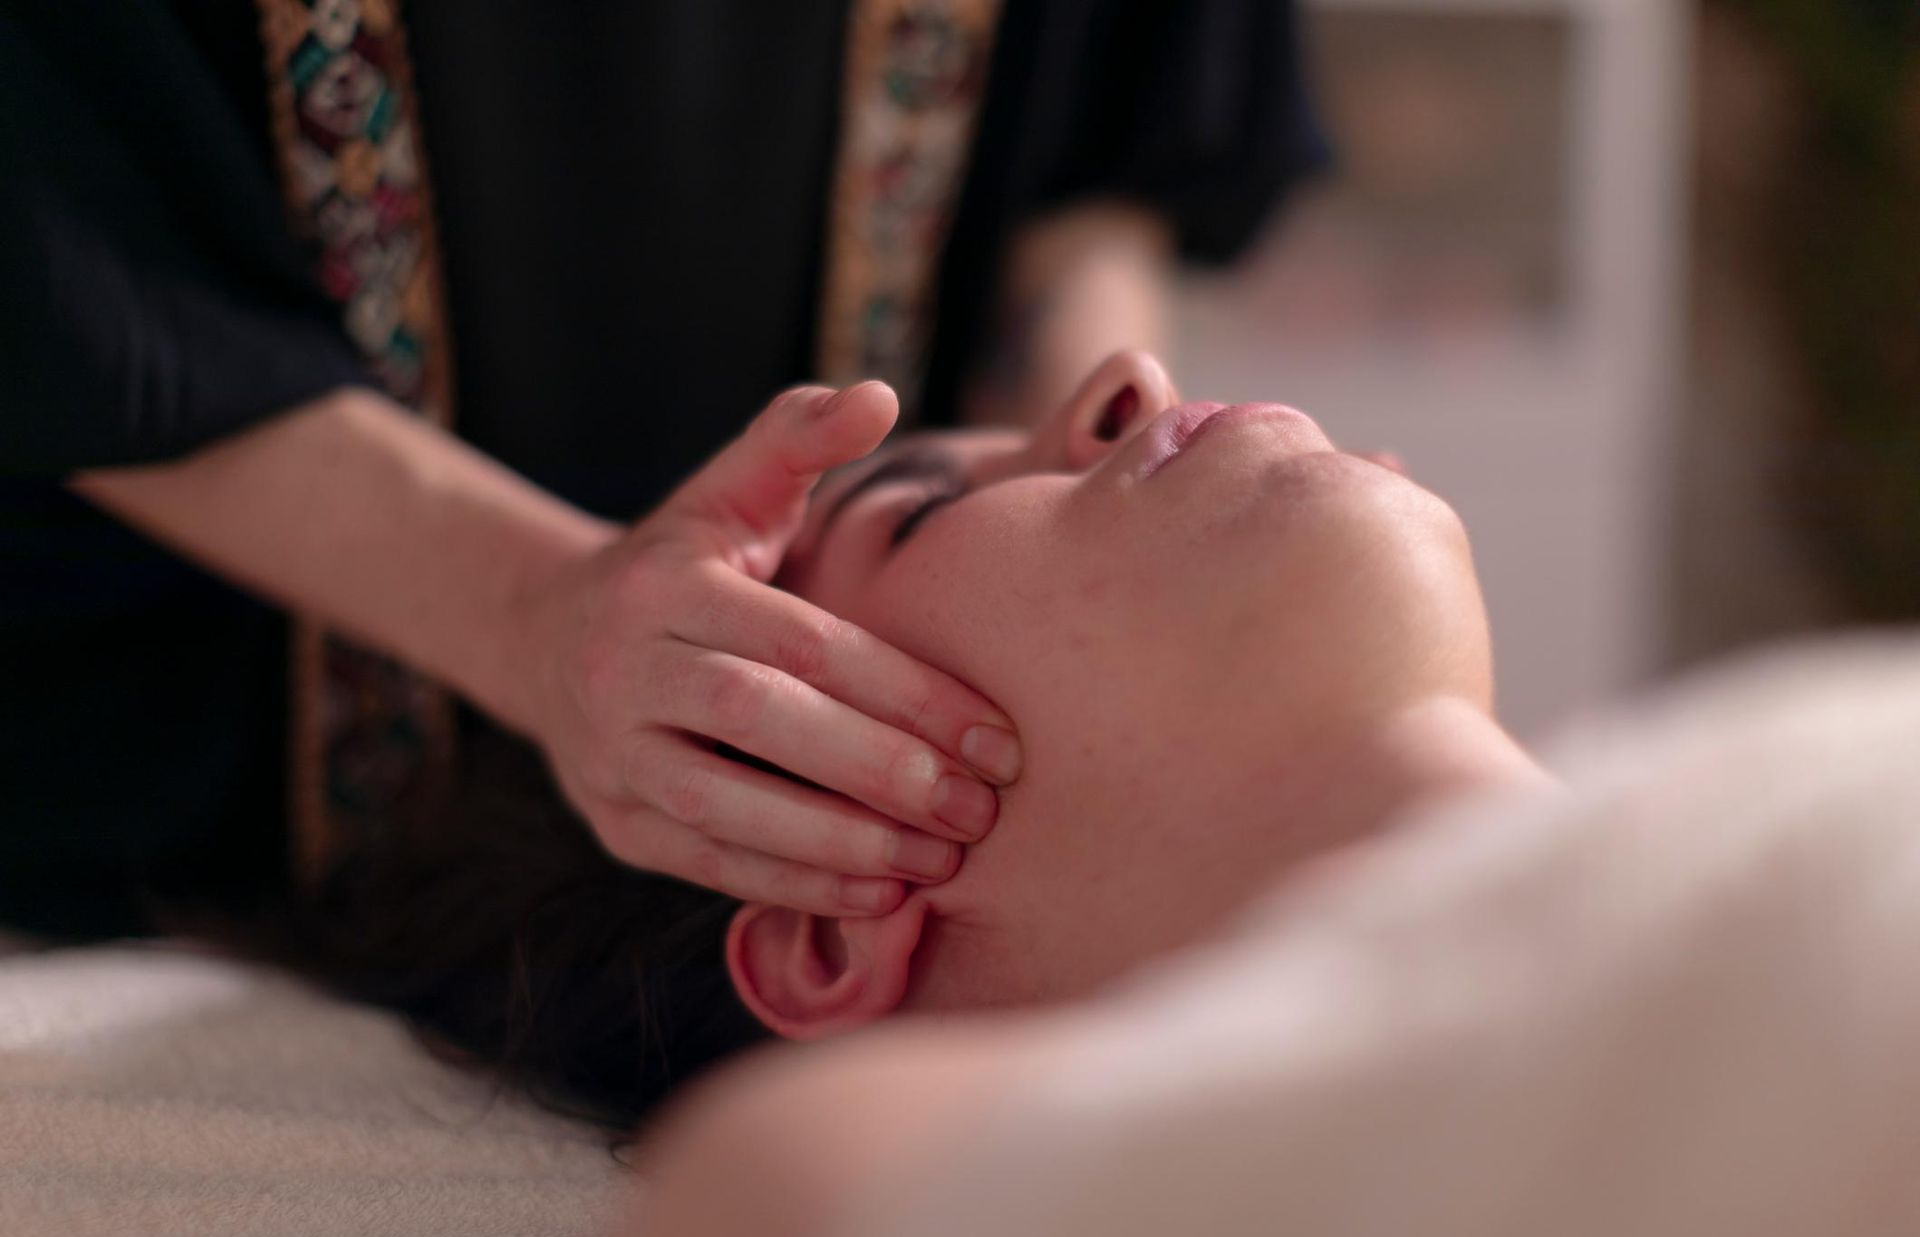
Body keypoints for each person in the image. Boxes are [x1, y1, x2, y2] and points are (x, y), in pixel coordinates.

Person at [0, 0, 1329, 938]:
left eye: (927, 492)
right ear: (834, 956)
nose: (1138, 392)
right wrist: (535, 609)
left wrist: (1121, 628)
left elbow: (1107, 127)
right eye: (907, 510)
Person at [233, 350, 1548, 1128]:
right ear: (832, 922)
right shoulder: (805, 1206)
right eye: (912, 514)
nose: (1126, 375)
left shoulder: (1754, 810)